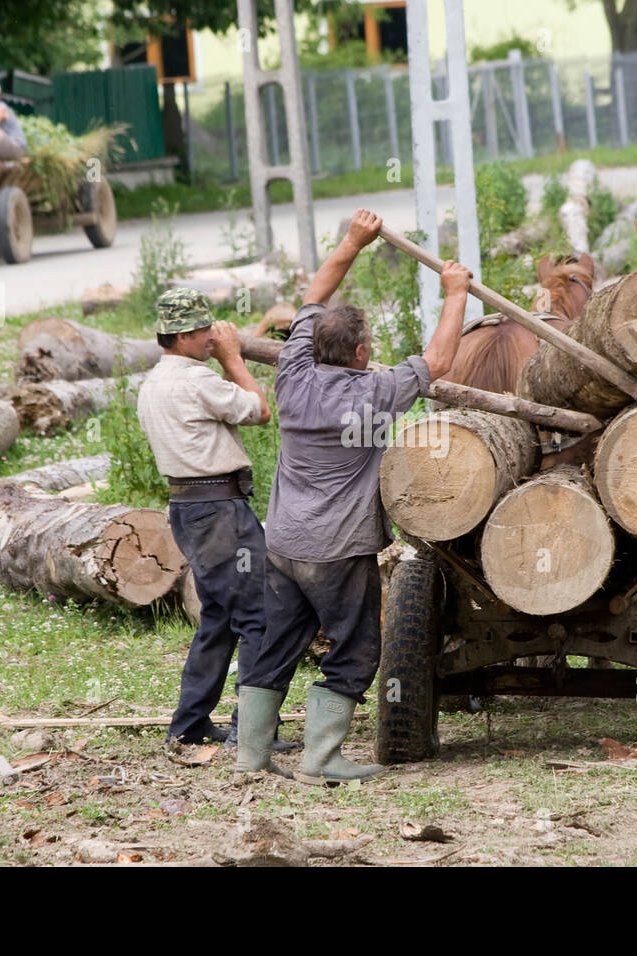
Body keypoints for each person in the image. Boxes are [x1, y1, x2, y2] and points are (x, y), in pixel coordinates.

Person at [234, 209, 471, 783]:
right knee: (356, 648)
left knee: (275, 644)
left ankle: (250, 758)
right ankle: (321, 759)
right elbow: (438, 362)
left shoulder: (292, 371)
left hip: (285, 543)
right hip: (339, 551)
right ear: (362, 353)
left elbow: (315, 291)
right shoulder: (376, 391)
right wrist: (456, 293)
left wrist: (352, 242)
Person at [136, 289, 272, 749]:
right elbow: (259, 410)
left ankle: (191, 724)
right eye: (204, 333)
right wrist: (235, 359)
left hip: (188, 509)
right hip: (220, 511)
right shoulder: (197, 381)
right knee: (258, 616)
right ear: (182, 335)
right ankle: (251, 732)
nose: (212, 339)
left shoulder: (153, 382)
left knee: (217, 616)